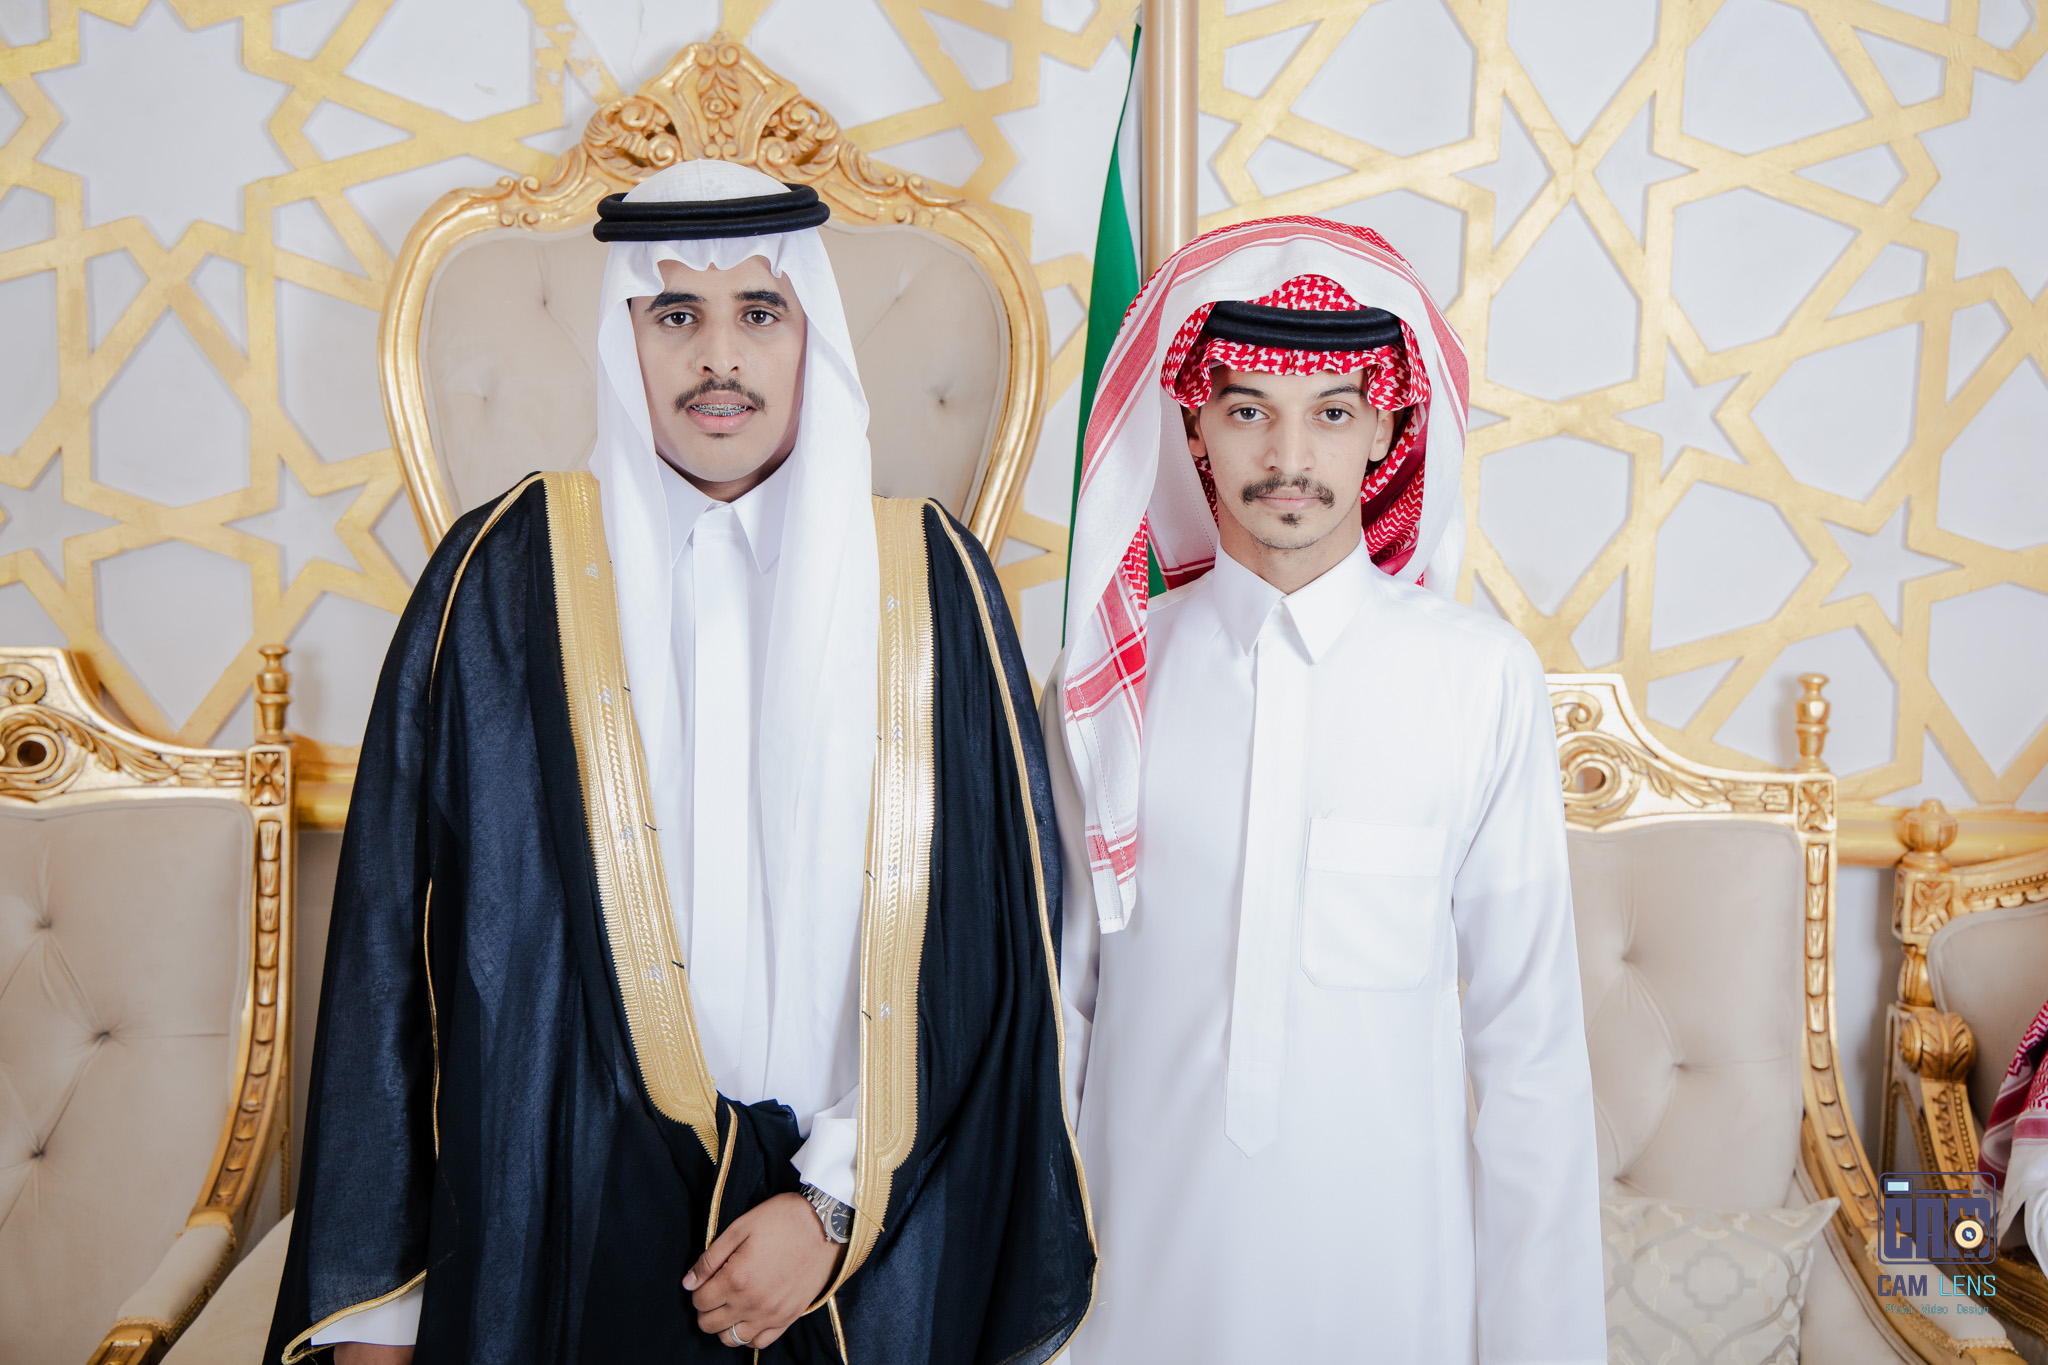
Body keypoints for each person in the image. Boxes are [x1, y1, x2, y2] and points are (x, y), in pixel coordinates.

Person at [266, 160, 1093, 1364]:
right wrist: (382, 1315)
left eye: (759, 313)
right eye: (675, 315)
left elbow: (993, 947)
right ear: (624, 337)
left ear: (811, 336)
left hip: (866, 1253)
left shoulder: (931, 584)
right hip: (566, 1227)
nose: (719, 358)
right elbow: (399, 955)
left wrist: (832, 1205)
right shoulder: (499, 579)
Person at [1041, 217, 1604, 1363]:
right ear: (1193, 426)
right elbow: (1060, 1019)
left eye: (1330, 413)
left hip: (1387, 1293)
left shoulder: (1475, 676)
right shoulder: (1107, 684)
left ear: (1386, 430)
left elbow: (1528, 1052)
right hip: (1130, 1286)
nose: (1287, 455)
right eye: (1248, 410)